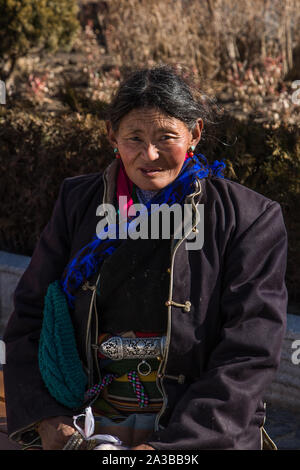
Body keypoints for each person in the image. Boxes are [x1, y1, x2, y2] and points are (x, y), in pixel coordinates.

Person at [3, 65, 288, 450]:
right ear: (112, 136)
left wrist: (166, 450)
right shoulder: (79, 203)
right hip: (89, 427)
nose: (149, 154)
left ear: (195, 134)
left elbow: (249, 352)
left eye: (166, 136)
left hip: (198, 434)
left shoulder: (248, 218)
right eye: (134, 137)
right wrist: (49, 419)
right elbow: (29, 318)